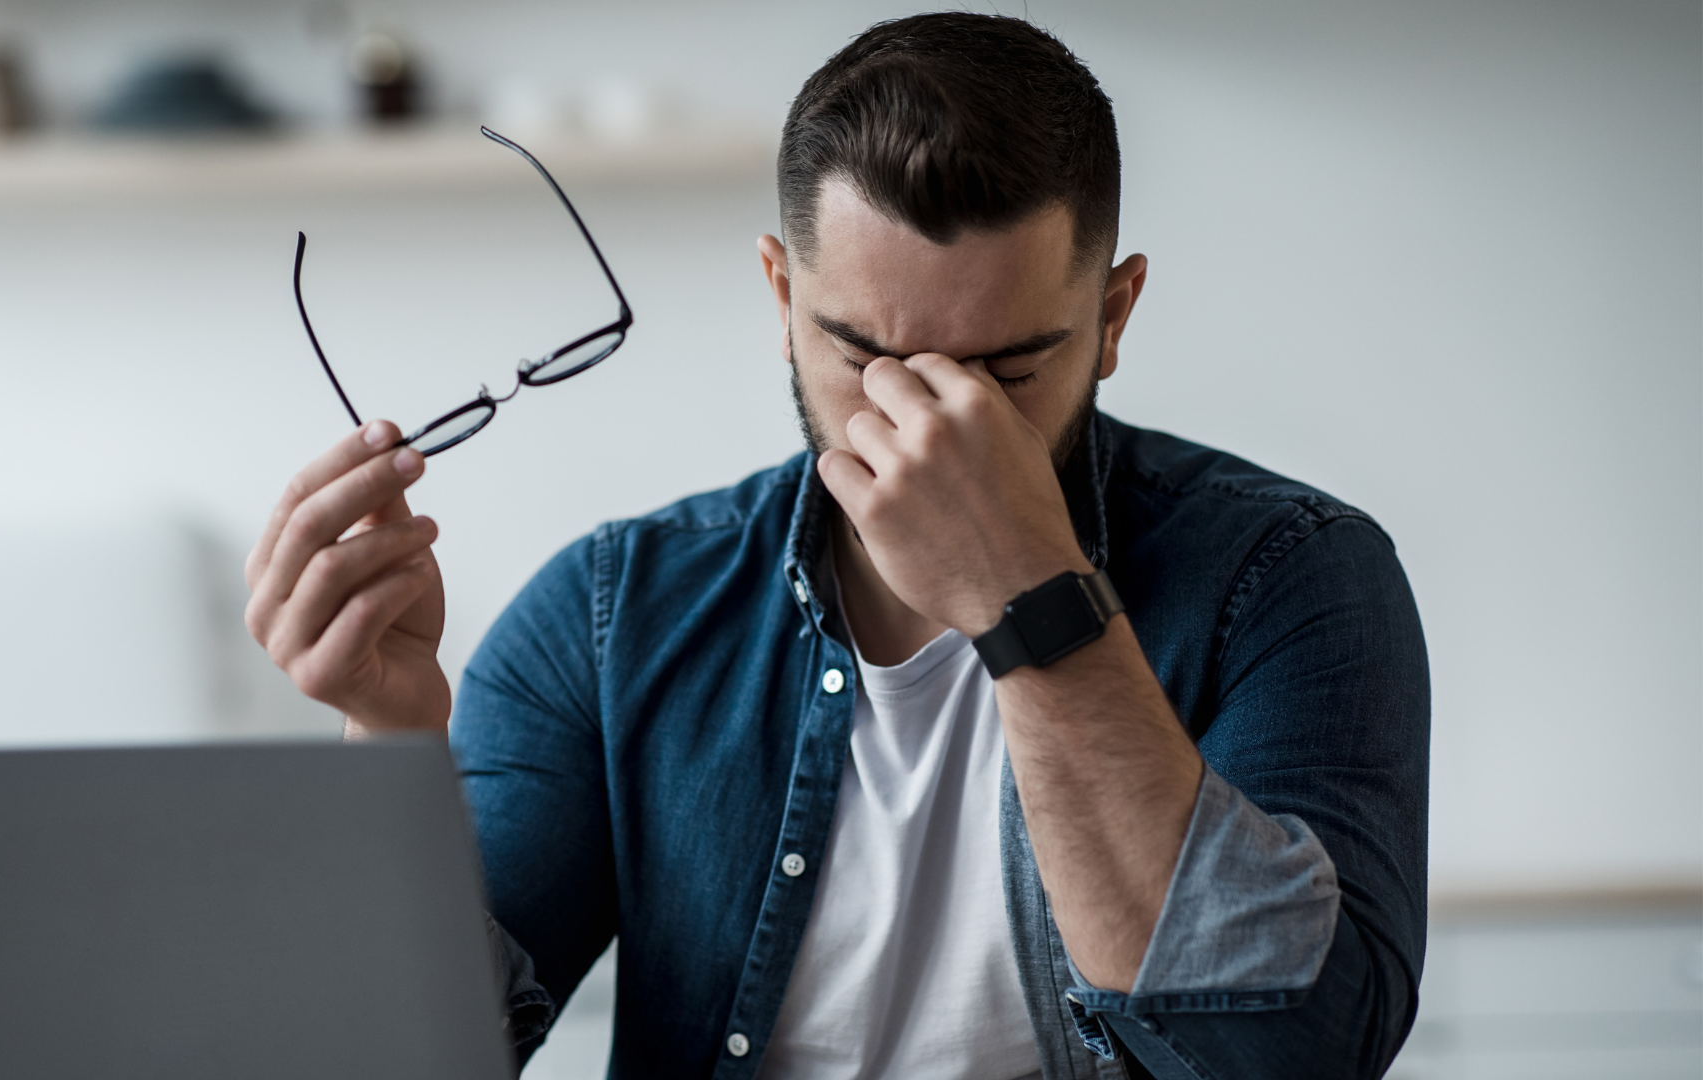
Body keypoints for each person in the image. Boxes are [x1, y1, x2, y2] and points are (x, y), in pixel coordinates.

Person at [243, 13, 1429, 1080]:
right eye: (863, 355)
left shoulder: (1291, 578)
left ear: (1112, 318)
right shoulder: (614, 615)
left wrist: (1031, 598)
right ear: (779, 296)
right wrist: (388, 747)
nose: (927, 424)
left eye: (1005, 370)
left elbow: (1292, 1055)